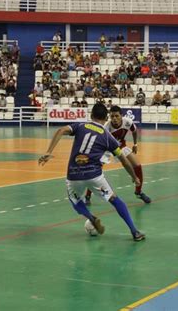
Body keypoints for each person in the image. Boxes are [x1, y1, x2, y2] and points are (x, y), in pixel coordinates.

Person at [38, 103, 145, 242]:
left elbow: (61, 130)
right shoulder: (108, 136)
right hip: (94, 176)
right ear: (106, 117)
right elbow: (124, 160)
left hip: (73, 175)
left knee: (75, 201)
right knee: (114, 199)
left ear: (91, 115)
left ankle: (90, 217)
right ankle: (134, 231)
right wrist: (134, 177)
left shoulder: (80, 126)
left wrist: (48, 152)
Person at [86, 105, 151, 205]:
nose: (114, 119)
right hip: (107, 149)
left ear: (121, 115)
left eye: (116, 116)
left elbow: (134, 131)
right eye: (112, 116)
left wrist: (135, 144)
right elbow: (100, 142)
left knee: (137, 166)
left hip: (121, 146)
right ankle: (87, 196)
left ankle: (138, 192)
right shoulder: (106, 128)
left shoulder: (128, 122)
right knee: (96, 171)